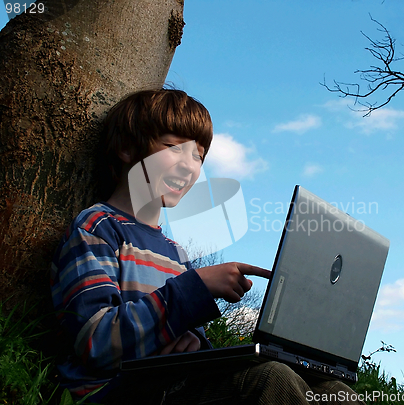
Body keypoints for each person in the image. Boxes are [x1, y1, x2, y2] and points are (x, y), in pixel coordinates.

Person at [50, 88, 365, 405]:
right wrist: (195, 286)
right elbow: (96, 341)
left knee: (336, 394)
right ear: (127, 148)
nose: (189, 166)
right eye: (173, 147)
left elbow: (178, 330)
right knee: (271, 379)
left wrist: (194, 344)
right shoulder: (97, 228)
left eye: (198, 156)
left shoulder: (176, 253)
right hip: (116, 392)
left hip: (172, 383)